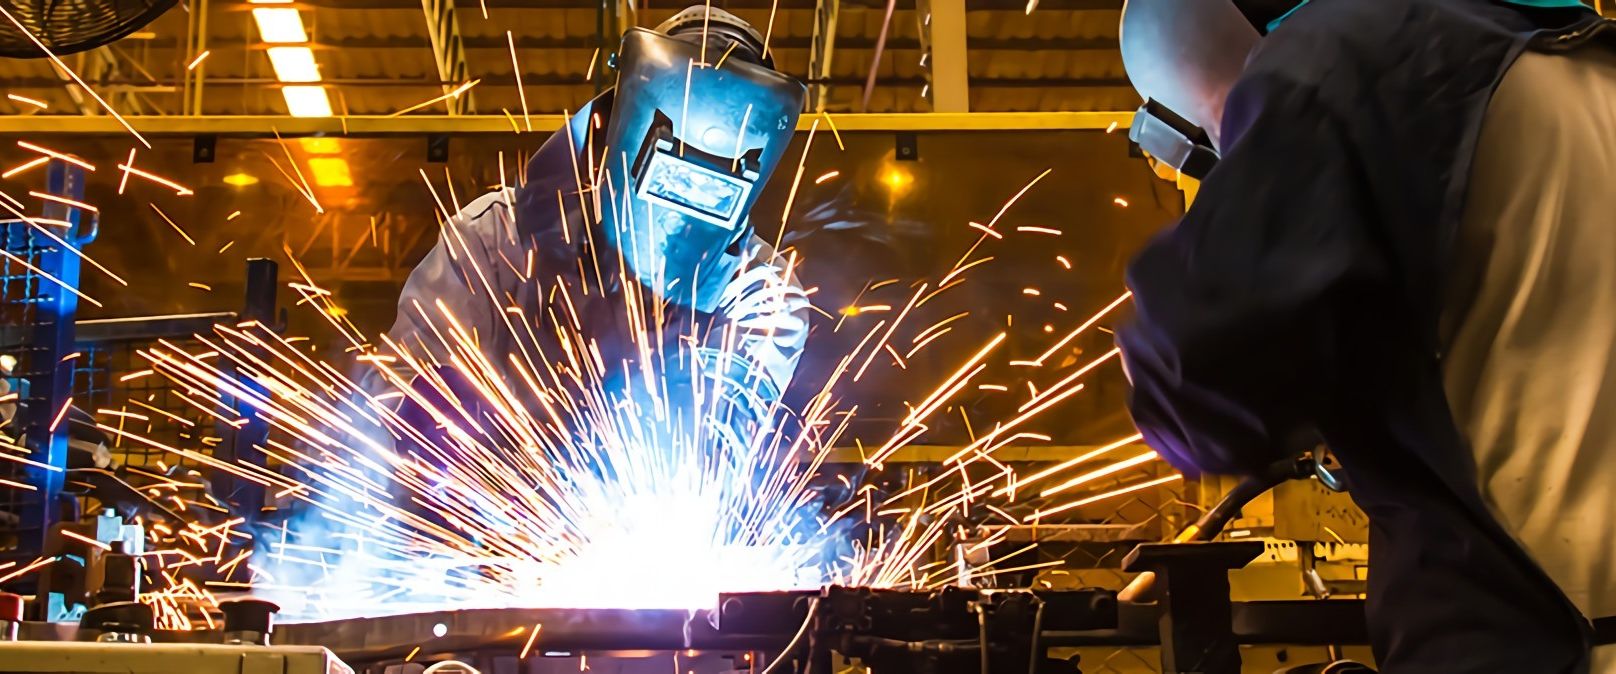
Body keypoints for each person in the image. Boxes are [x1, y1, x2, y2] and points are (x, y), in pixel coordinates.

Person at [1114, 0, 1616, 671]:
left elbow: (1206, 373)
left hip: (1546, 641)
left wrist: (1149, 365)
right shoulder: (1570, 49)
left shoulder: (1336, 60)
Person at [370, 6, 811, 452]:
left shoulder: (765, 293)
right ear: (625, 125)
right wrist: (433, 419)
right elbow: (394, 385)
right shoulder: (495, 236)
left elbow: (727, 429)